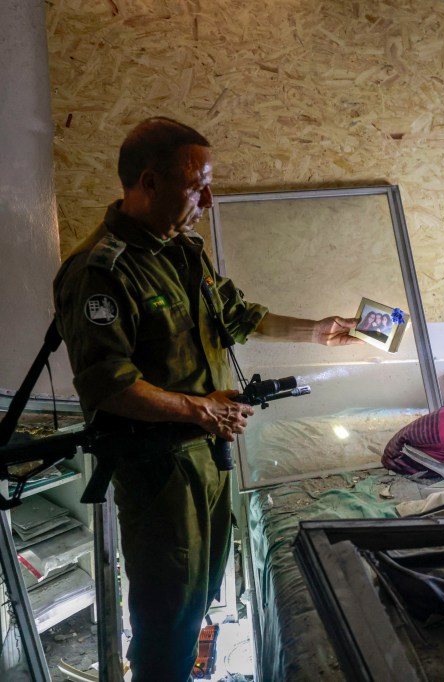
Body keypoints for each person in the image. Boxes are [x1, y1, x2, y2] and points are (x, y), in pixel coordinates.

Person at [52, 117, 362, 681]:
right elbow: (107, 383)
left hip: (209, 452)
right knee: (166, 611)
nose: (210, 200)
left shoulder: (183, 252)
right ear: (149, 182)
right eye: (198, 187)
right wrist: (201, 409)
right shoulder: (101, 270)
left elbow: (239, 316)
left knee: (197, 599)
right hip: (158, 468)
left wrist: (316, 330)